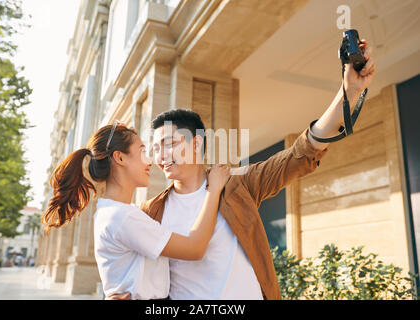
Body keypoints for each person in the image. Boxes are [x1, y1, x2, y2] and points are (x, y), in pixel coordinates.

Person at [107, 39, 376, 300]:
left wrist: (348, 92)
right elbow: (129, 273)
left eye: (169, 144)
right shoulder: (150, 212)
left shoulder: (237, 185)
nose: (161, 156)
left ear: (197, 142)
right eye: (155, 148)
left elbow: (301, 154)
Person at [41, 123, 230, 299]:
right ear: (120, 158)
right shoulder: (122, 217)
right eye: (142, 152)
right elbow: (194, 248)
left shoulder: (114, 212)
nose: (149, 162)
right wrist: (213, 189)